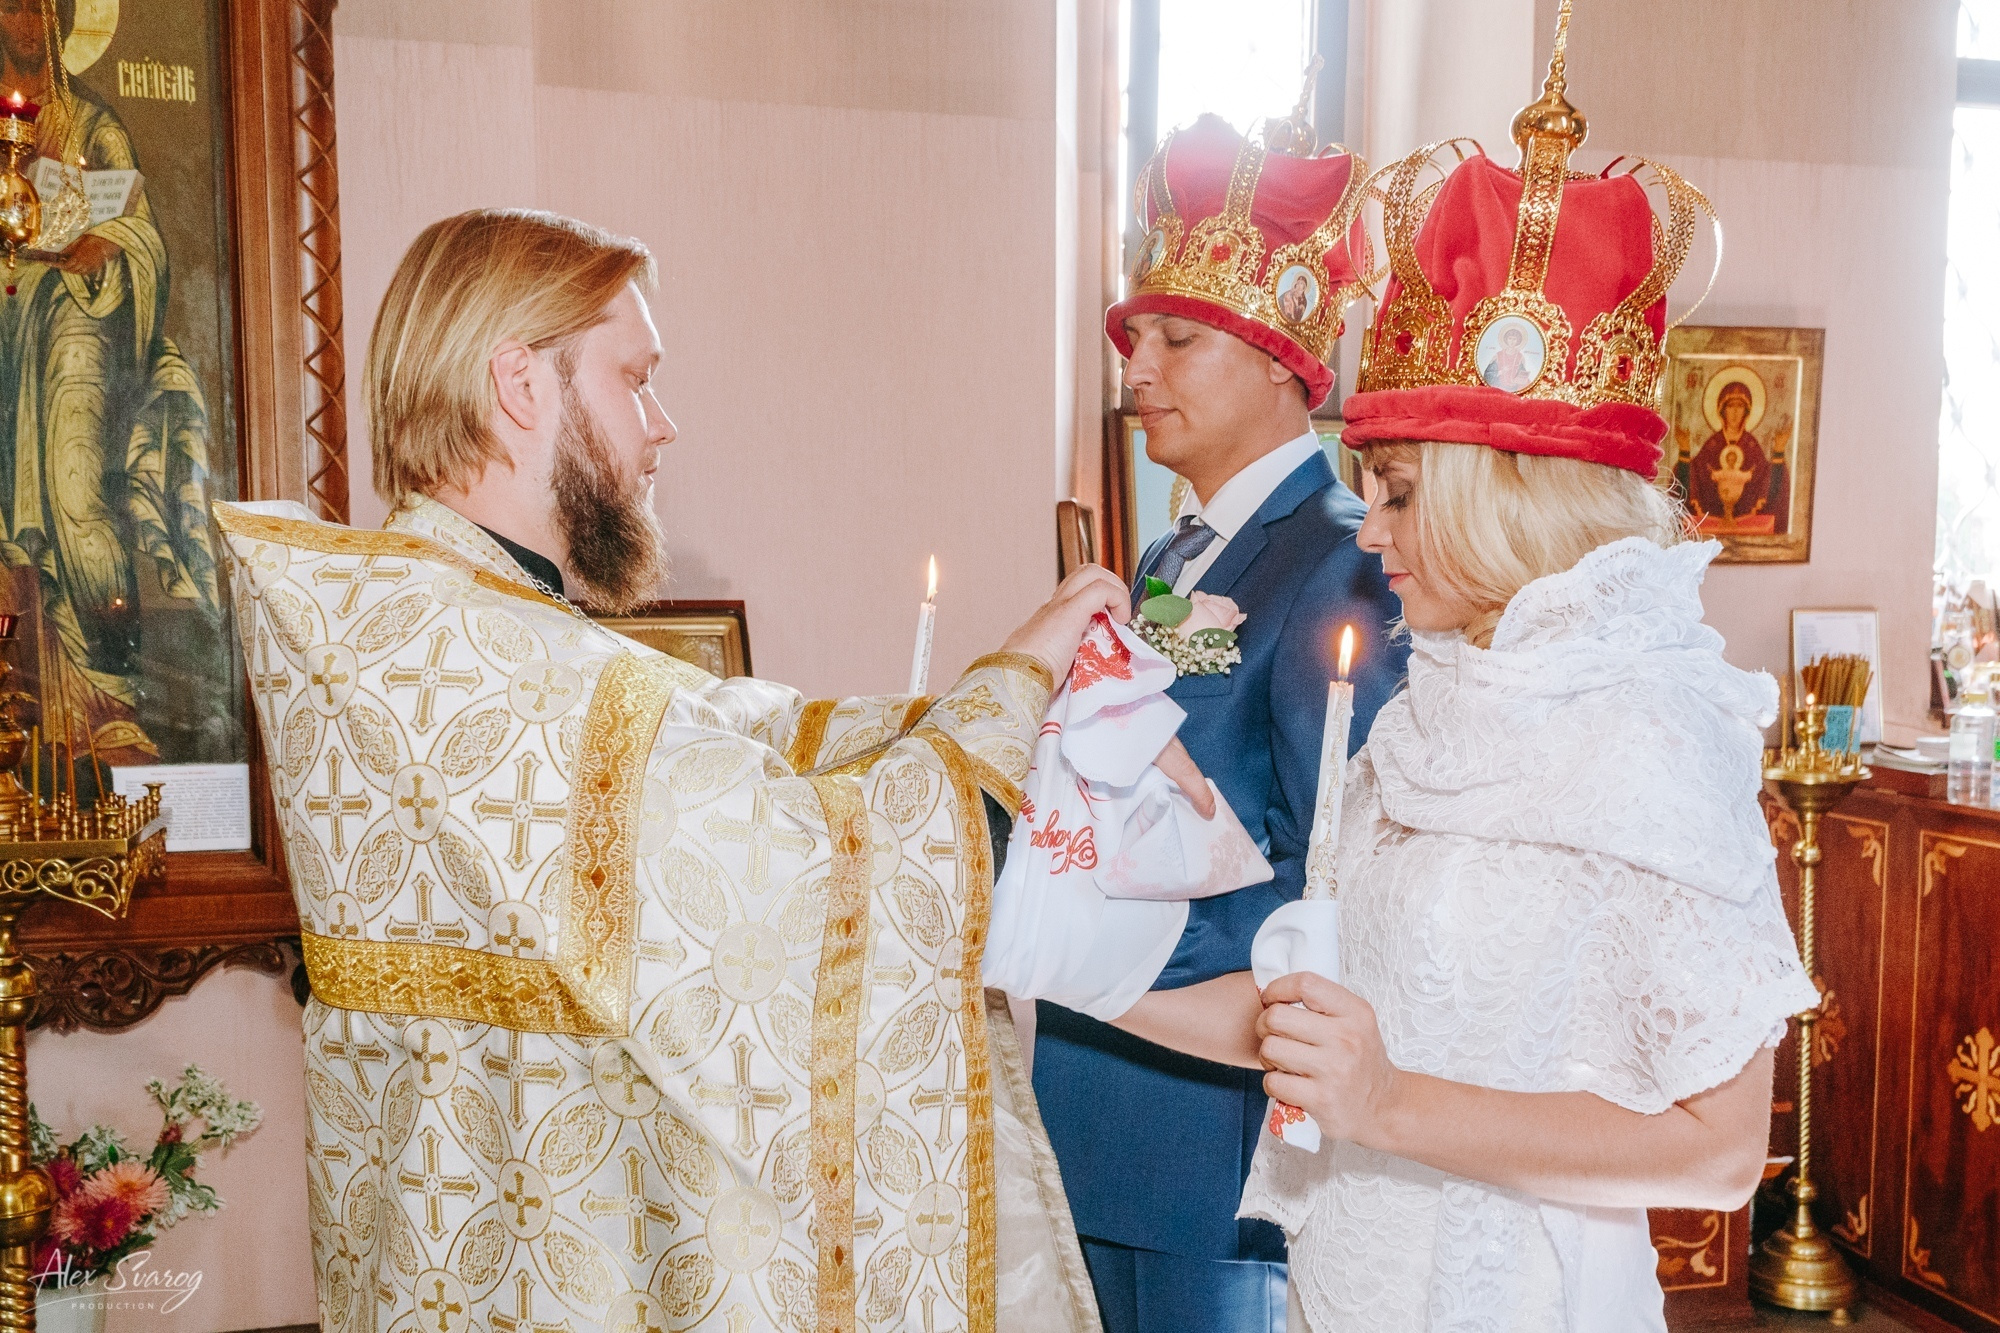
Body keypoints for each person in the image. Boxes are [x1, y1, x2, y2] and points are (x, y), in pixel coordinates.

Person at [216, 208, 1130, 1332]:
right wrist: (1021, 678)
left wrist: (986, 700)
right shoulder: (469, 651)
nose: (663, 425)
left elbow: (728, 734)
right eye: (635, 379)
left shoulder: (444, 627)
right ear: (521, 384)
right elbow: (798, 887)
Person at [1109, 18, 1816, 1330]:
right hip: (1355, 1274)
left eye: (1398, 491)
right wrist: (1061, 966)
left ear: (1510, 495)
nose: (1367, 532)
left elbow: (1719, 1146)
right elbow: (1312, 1019)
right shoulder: (1436, 700)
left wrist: (1390, 1104)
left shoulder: (1650, 728)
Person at [1030, 111, 1406, 1333]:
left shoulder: (1339, 564)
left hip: (1208, 1134)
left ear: (1283, 364)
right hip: (1093, 1095)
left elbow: (1340, 875)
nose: (1135, 373)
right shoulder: (1171, 553)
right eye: (1132, 341)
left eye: (1176, 340)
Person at [0, 0, 223, 768]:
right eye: (10, 7)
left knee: (72, 491)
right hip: (7, 327)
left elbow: (141, 236)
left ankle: (108, 698)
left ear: (62, 20)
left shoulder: (95, 128)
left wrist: (103, 244)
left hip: (73, 324)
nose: (25, 22)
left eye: (37, 6)